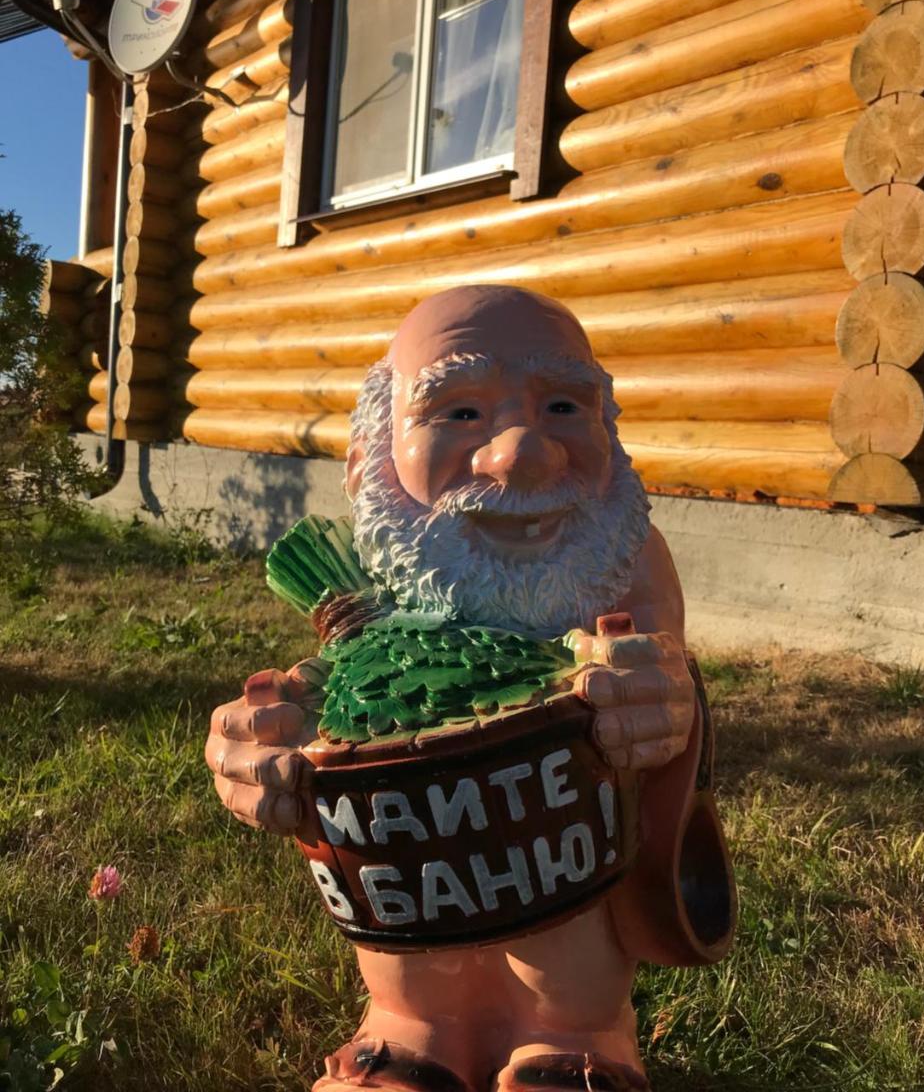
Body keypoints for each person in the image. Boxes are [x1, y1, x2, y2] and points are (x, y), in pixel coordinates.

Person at [206, 286, 722, 1092]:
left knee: (566, 962)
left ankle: (576, 1038)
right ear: (369, 458)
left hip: (568, 871)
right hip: (406, 887)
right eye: (458, 414)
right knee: (414, 978)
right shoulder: (381, 563)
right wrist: (262, 741)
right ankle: (410, 1034)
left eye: (560, 406)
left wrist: (652, 697)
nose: (520, 454)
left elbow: (666, 689)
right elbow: (315, 697)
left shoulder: (622, 553)